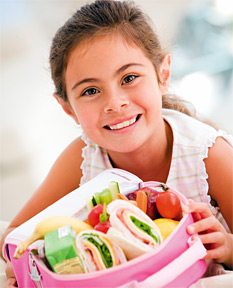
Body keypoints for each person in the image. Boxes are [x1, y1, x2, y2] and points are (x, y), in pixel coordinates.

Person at [1, 0, 232, 286]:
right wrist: (22, 264)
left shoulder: (209, 155)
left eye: (129, 77)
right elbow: (14, 235)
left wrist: (228, 247)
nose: (115, 103)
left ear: (163, 75)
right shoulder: (83, 157)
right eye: (91, 90)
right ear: (68, 109)